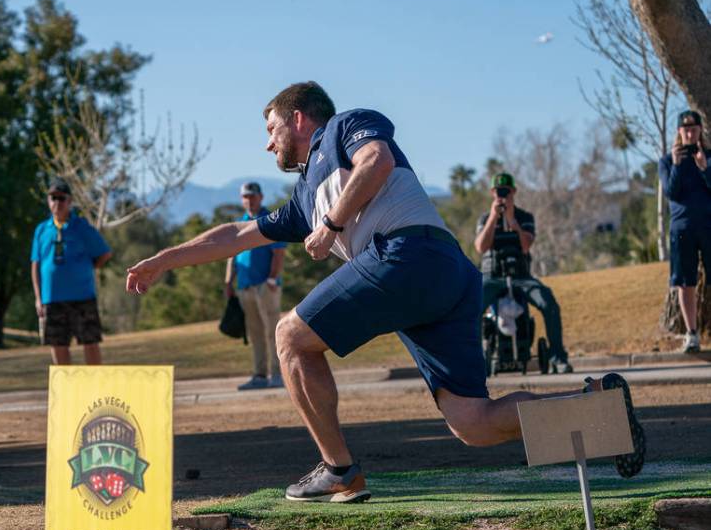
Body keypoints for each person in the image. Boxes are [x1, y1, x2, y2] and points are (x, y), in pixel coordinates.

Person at [126, 81, 645, 502]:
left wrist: (332, 223)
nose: (268, 143)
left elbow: (377, 161)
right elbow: (237, 235)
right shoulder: (303, 196)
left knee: (290, 337)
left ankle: (339, 470)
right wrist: (163, 260)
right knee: (473, 423)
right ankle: (599, 406)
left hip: (413, 254)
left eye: (271, 128)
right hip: (443, 279)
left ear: (299, 118)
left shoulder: (344, 127)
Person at [473, 173, 573, 373]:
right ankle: (475, 362)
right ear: (492, 193)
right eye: (498, 192)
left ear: (514, 192)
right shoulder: (485, 218)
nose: (502, 196)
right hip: (493, 278)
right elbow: (480, 247)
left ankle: (557, 358)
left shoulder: (525, 217)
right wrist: (494, 216)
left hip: (522, 277)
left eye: (506, 192)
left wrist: (512, 220)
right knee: (472, 305)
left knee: (549, 303)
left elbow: (526, 246)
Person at [31, 178, 112, 365]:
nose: (57, 203)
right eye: (53, 198)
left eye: (61, 198)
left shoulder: (81, 227)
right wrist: (38, 298)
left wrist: (85, 270)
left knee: (90, 343)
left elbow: (104, 254)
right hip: (52, 299)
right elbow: (35, 264)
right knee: (58, 345)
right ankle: (65, 390)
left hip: (82, 297)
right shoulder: (42, 230)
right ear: (48, 200)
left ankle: (96, 388)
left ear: (70, 201)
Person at [224, 181, 287, 390]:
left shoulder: (269, 220)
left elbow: (279, 252)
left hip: (265, 285)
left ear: (260, 197)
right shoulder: (241, 223)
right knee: (256, 333)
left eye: (252, 196)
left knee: (272, 332)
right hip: (245, 286)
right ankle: (260, 375)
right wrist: (228, 281)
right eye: (245, 197)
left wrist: (271, 278)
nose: (249, 200)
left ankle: (278, 375)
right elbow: (231, 255)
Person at [658, 110, 711, 353]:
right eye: (685, 129)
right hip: (681, 229)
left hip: (708, 225)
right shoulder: (667, 161)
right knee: (685, 283)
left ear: (700, 130)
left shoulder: (708, 156)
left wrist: (704, 168)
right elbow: (671, 193)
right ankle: (691, 334)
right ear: (679, 131)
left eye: (694, 128)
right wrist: (678, 165)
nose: (690, 133)